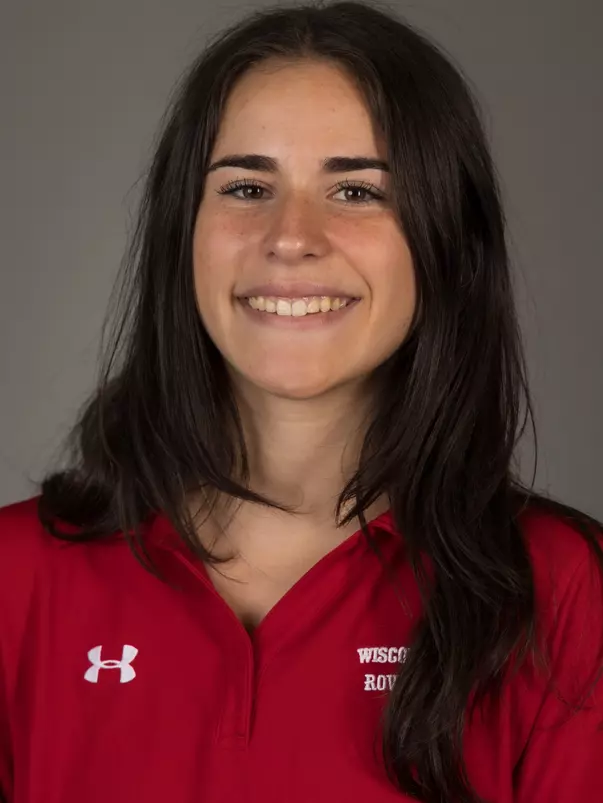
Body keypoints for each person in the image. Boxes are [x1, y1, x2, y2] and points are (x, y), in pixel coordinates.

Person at [0, 1, 601, 801]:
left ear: (448, 241)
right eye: (246, 185)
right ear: (183, 230)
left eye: (355, 192)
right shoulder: (16, 577)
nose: (290, 235)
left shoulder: (560, 591)